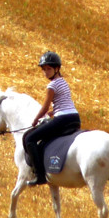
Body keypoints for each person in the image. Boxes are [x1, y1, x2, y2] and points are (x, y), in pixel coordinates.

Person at [22, 51, 81, 186]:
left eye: (48, 69)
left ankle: (40, 175)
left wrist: (36, 120)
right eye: (44, 69)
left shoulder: (52, 85)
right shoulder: (63, 82)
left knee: (29, 138)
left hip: (62, 119)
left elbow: (44, 107)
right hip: (74, 118)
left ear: (57, 69)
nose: (46, 72)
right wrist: (52, 112)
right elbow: (64, 102)